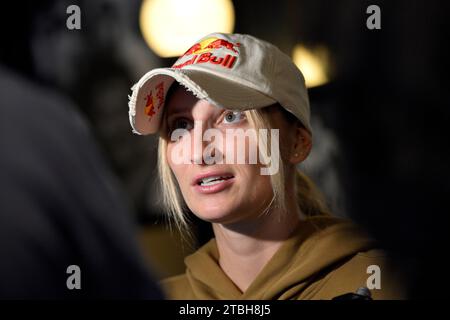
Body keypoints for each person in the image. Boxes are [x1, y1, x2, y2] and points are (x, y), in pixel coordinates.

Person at [128, 33, 405, 299]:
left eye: (232, 116)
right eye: (181, 125)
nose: (199, 151)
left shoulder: (383, 283)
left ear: (297, 142)